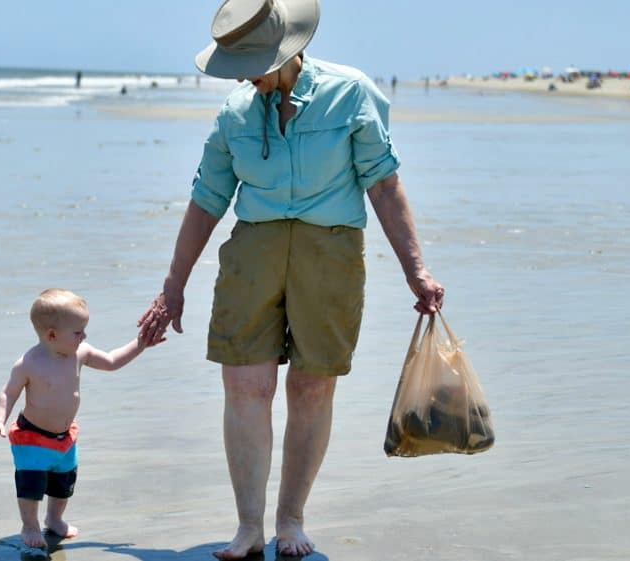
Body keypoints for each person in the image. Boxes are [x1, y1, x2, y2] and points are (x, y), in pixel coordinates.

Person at [137, 0, 444, 558]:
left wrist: (415, 269)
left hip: (329, 254)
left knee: (311, 386)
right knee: (245, 387)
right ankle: (249, 527)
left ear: (288, 49)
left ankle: (290, 520)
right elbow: (206, 200)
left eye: (253, 61)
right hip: (252, 252)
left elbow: (383, 184)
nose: (245, 75)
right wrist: (171, 287)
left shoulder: (351, 93)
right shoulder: (235, 111)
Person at [0, 288, 162, 550]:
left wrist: (141, 344)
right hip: (32, 437)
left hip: (64, 437)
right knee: (30, 485)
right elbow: (7, 394)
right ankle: (29, 525)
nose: (84, 336)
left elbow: (111, 361)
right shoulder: (28, 363)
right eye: (78, 332)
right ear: (51, 335)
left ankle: (54, 519)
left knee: (63, 483)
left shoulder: (81, 352)